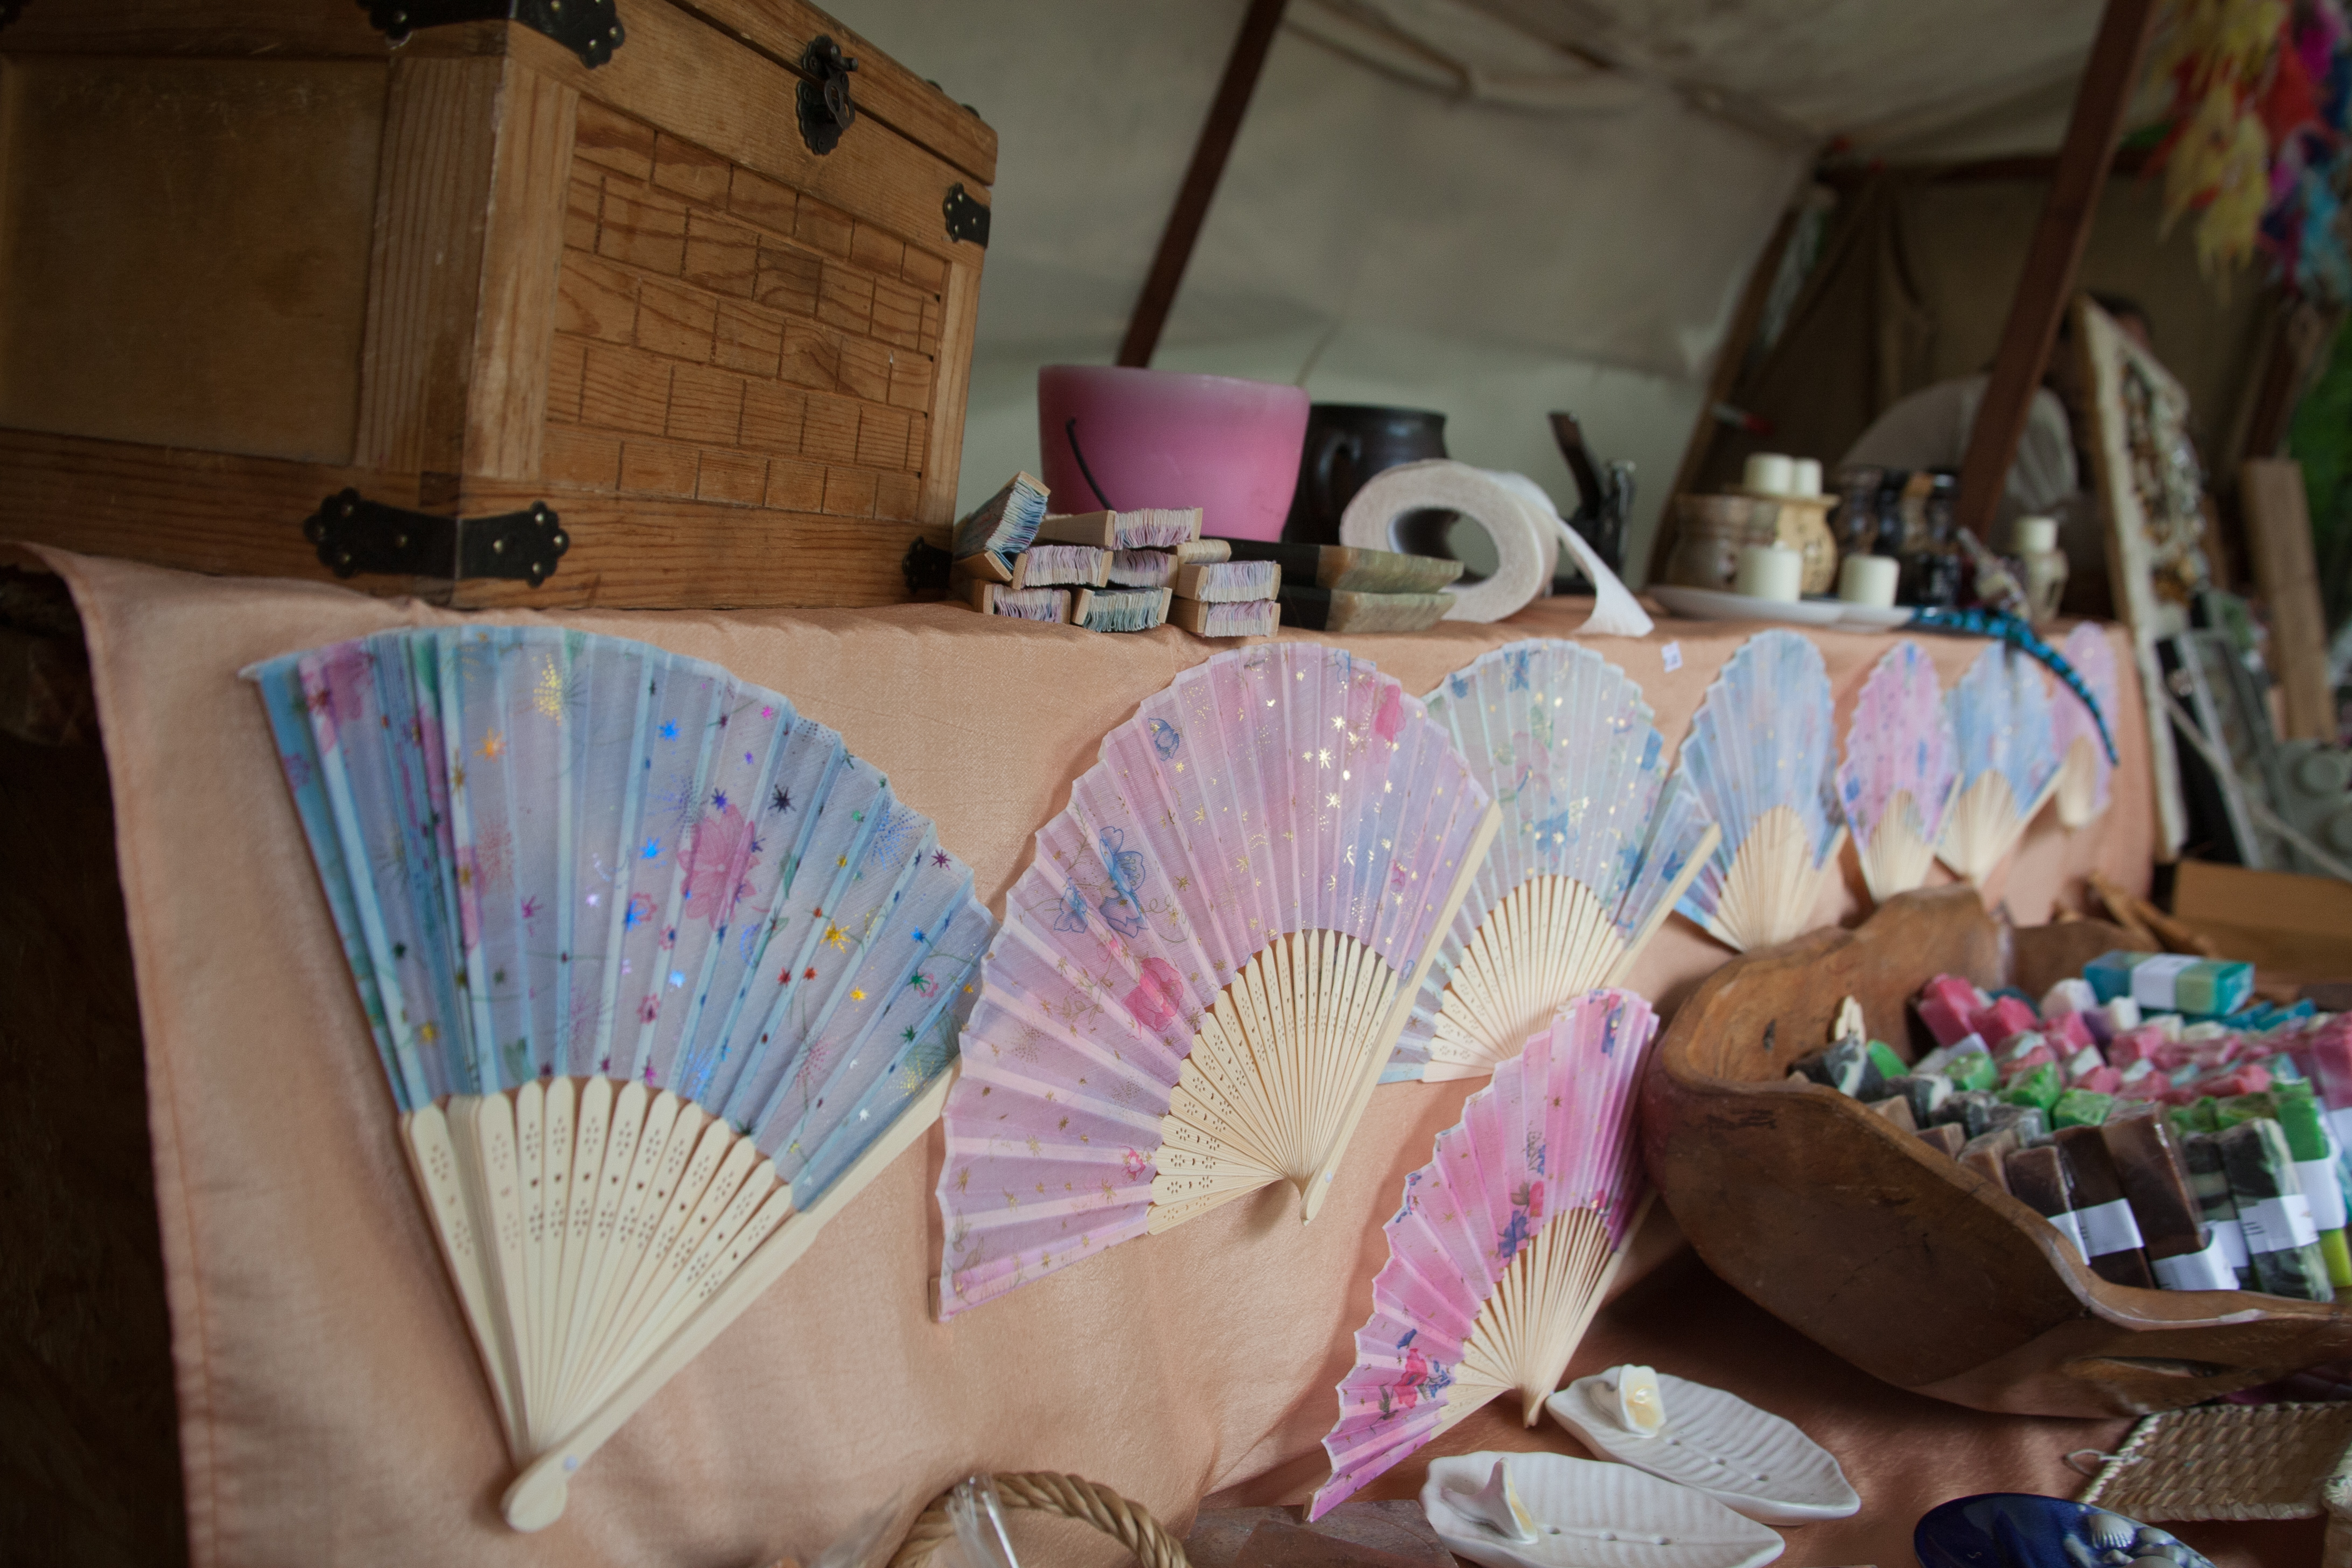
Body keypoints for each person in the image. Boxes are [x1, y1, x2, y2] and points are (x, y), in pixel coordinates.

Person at [1838, 294, 2154, 523]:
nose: (2124, 387)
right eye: (2113, 360)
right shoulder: (2028, 409)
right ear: (2053, 351)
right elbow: (2033, 537)